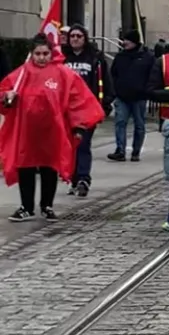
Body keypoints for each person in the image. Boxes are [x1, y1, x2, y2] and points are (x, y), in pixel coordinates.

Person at [0, 35, 105, 220]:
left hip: (52, 131)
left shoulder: (63, 74)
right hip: (26, 132)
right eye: (38, 54)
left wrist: (78, 126)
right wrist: (7, 98)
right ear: (31, 54)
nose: (41, 57)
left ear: (51, 53)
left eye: (45, 53)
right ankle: (26, 206)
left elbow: (77, 100)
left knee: (50, 167)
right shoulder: (21, 74)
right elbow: (5, 95)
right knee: (26, 167)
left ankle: (47, 205)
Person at [63, 25, 113, 198]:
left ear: (85, 38)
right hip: (66, 110)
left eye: (79, 36)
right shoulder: (63, 58)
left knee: (83, 144)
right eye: (72, 36)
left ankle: (84, 178)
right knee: (70, 146)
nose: (75, 39)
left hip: (86, 109)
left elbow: (105, 82)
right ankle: (73, 178)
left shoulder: (95, 59)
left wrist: (105, 103)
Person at [108, 28, 156, 162]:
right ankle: (120, 150)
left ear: (135, 41)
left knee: (139, 125)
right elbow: (114, 73)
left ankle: (136, 152)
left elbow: (152, 75)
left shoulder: (147, 57)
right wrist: (116, 89)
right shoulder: (120, 56)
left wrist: (147, 90)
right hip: (122, 96)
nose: (124, 43)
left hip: (139, 97)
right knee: (120, 122)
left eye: (127, 40)